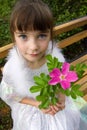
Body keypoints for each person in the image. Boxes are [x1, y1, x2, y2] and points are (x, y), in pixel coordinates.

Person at [0, 0, 87, 130]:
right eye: (23, 36)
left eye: (41, 36)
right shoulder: (12, 69)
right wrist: (37, 103)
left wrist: (62, 97)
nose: (33, 47)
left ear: (50, 35)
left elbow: (63, 82)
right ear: (14, 36)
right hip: (33, 113)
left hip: (59, 108)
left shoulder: (55, 58)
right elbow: (9, 93)